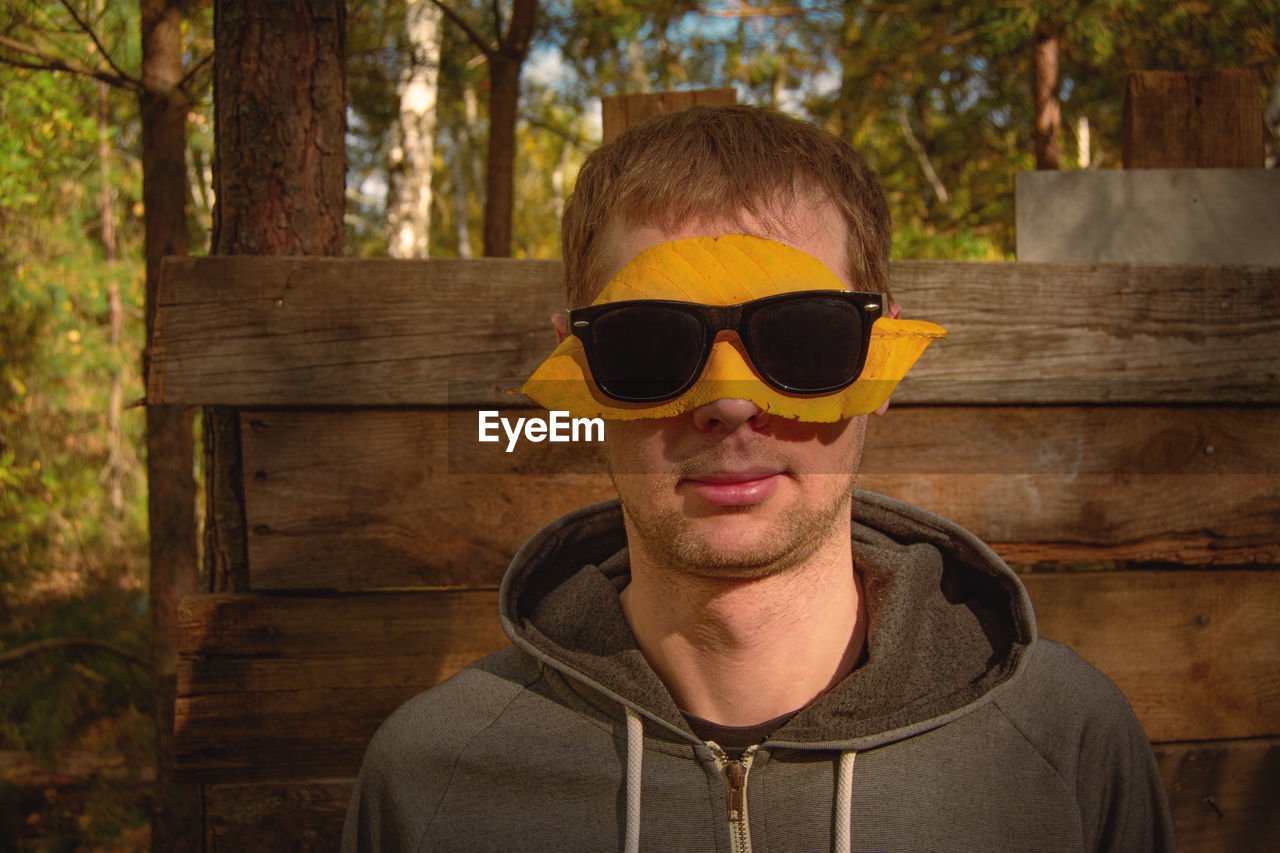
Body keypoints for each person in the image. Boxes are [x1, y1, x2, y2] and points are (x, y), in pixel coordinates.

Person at [342, 105, 1174, 852]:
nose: (731, 403)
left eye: (805, 339)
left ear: (880, 364)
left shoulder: (1065, 744)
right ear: (581, 366)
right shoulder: (433, 783)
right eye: (649, 344)